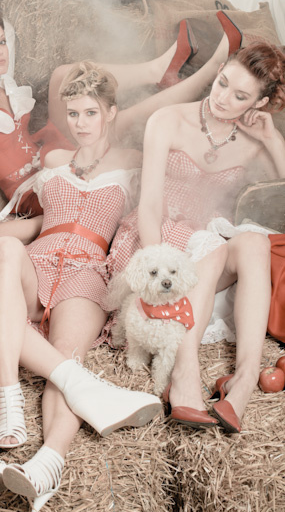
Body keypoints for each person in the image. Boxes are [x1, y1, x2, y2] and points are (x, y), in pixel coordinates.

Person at [0, 62, 164, 512]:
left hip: (88, 269)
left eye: (90, 113)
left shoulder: (135, 162)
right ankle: (9, 398)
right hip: (39, 259)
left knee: (67, 356)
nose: (80, 123)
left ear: (111, 112)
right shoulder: (53, 162)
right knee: (4, 251)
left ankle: (49, 461)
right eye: (73, 113)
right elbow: (37, 223)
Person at [0, 0, 242, 239]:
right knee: (109, 123)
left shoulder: (4, 81)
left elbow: (7, 30)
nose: (0, 51)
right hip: (40, 187)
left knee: (66, 79)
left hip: (52, 152)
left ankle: (160, 70)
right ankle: (209, 73)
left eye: (0, 43)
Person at [112, 41, 285, 433]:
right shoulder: (168, 119)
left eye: (240, 96)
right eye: (223, 83)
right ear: (218, 71)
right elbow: (149, 205)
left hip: (206, 243)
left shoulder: (255, 140)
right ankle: (185, 372)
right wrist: (158, 264)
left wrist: (273, 139)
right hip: (158, 242)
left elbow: (282, 197)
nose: (222, 98)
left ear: (260, 103)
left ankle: (244, 380)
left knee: (254, 243)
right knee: (216, 250)